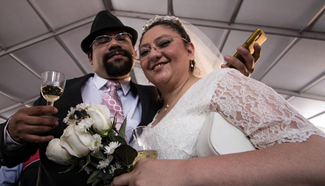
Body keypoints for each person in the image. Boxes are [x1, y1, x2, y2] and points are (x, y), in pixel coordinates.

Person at [0, 11, 259, 186]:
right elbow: (14, 153)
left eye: (122, 38)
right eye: (102, 40)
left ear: (135, 54)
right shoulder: (60, 93)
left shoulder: (159, 96)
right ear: (90, 57)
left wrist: (233, 81)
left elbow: (198, 98)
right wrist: (10, 134)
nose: (114, 43)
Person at [111, 15, 325, 186]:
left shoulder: (222, 82)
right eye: (145, 52)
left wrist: (184, 173)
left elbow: (317, 157)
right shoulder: (154, 117)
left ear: (190, 50)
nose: (154, 54)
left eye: (164, 43)